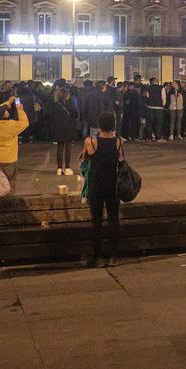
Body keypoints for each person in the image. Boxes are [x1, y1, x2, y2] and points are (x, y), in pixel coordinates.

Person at [81, 111, 122, 267]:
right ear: (113, 125)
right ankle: (114, 256)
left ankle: (97, 257)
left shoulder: (90, 142)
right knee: (113, 220)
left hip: (96, 185)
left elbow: (84, 157)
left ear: (99, 125)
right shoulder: (118, 142)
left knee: (96, 221)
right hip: (112, 184)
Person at [0, 97, 29, 189]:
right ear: (5, 115)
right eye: (6, 111)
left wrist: (8, 102)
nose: (7, 112)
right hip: (9, 159)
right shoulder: (11, 125)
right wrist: (19, 109)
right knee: (9, 185)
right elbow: (25, 122)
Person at [52, 88, 79, 176]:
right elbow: (75, 114)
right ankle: (67, 167)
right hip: (68, 128)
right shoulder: (70, 103)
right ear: (67, 95)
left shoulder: (55, 104)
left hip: (59, 128)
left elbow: (52, 117)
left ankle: (59, 168)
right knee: (68, 148)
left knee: (60, 148)